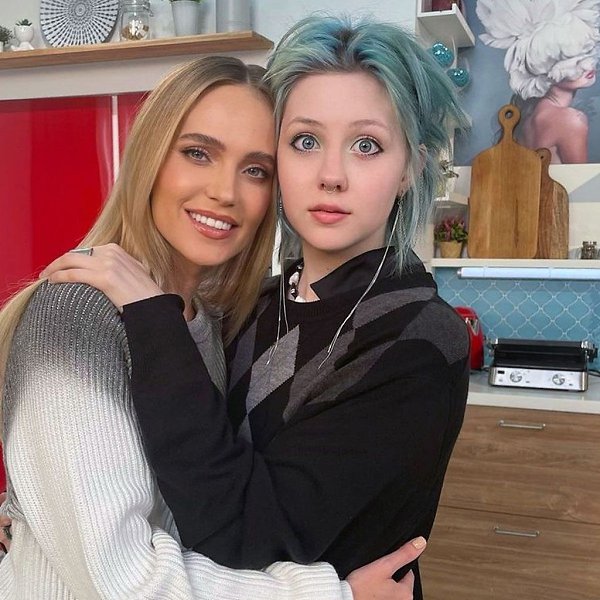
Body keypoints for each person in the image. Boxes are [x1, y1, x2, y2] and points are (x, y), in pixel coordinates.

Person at [44, 15, 471, 599]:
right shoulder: (251, 305)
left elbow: (243, 539)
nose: (331, 175)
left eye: (367, 146)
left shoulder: (418, 339)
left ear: (411, 169)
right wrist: (51, 504)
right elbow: (167, 467)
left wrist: (152, 315)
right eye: (305, 141)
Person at [477, 0, 600, 163]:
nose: (587, 65)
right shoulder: (571, 120)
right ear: (543, 71)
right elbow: (579, 179)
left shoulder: (528, 119)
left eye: (586, 50)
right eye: (569, 59)